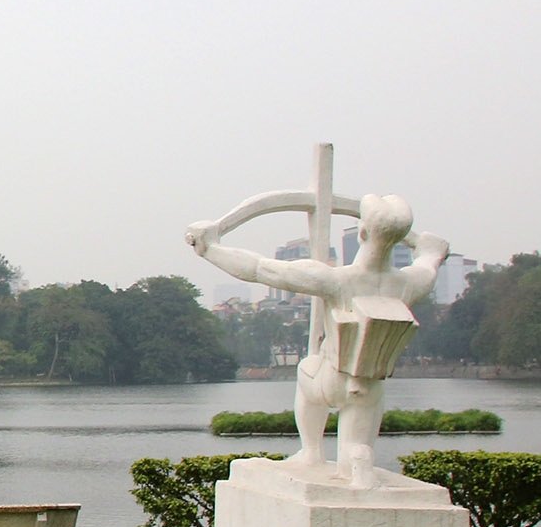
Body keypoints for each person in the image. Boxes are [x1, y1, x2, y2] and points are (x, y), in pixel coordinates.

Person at [188, 193, 447, 489]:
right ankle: (358, 459)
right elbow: (428, 264)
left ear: (361, 233)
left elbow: (259, 268)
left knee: (305, 369)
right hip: (370, 388)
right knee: (357, 444)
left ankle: (311, 451)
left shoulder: (336, 280)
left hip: (331, 379)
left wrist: (208, 248)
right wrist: (431, 250)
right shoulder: (408, 284)